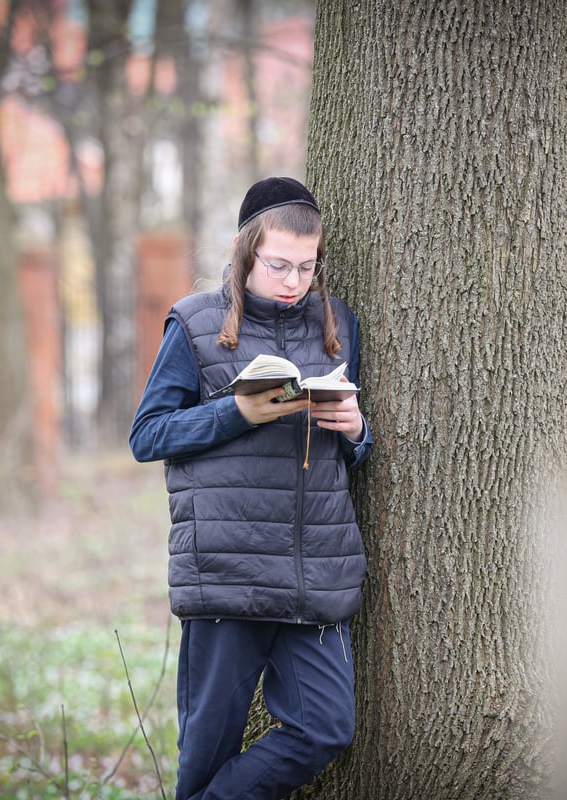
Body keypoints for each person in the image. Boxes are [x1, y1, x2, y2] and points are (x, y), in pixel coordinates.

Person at [129, 176, 373, 800]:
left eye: (307, 267)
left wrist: (355, 429)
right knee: (206, 752)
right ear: (245, 253)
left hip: (313, 575)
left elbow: (353, 448)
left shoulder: (336, 321)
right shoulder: (194, 323)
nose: (294, 281)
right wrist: (238, 413)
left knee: (325, 728)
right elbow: (148, 435)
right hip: (227, 569)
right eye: (278, 265)